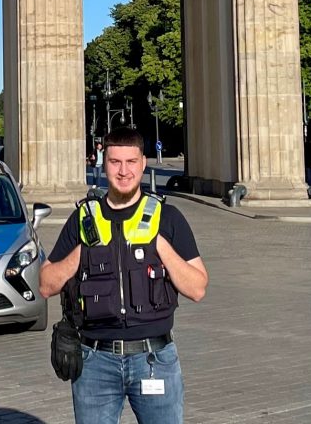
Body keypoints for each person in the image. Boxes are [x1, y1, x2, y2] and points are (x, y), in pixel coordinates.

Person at [40, 127, 207, 424]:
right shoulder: (83, 219)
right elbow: (45, 284)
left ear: (143, 163)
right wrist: (84, 251)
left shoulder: (167, 218)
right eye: (115, 162)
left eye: (131, 162)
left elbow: (197, 288)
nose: (123, 171)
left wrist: (159, 245)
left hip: (153, 358)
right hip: (95, 361)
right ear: (104, 163)